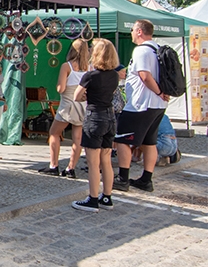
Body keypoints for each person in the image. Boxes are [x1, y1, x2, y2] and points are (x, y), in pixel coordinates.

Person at [114, 20, 169, 192]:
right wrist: (161, 94)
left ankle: (123, 178)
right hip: (157, 105)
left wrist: (158, 91)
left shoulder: (141, 50)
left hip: (140, 104)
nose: (130, 32)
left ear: (139, 31)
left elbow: (144, 76)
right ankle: (146, 179)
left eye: (132, 30)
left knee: (122, 139)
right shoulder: (157, 48)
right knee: (149, 141)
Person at [71, 39, 120, 212]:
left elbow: (77, 96)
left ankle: (92, 198)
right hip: (109, 117)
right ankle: (107, 196)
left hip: (94, 116)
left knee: (93, 162)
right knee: (106, 160)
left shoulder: (90, 76)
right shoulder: (114, 75)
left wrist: (86, 97)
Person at [41, 39, 89, 178]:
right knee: (77, 138)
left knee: (54, 133)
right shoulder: (89, 67)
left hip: (68, 104)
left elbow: (61, 89)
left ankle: (54, 165)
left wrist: (58, 87)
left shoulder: (66, 66)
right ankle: (71, 168)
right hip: (82, 105)